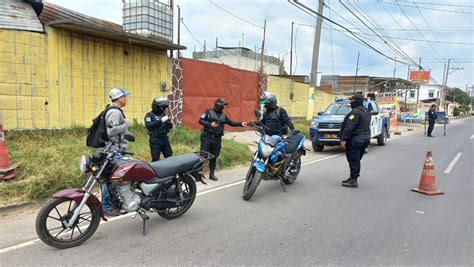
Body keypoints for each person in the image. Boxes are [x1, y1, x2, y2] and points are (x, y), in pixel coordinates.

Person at [199, 98, 247, 181]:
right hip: (207, 137)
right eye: (222, 105)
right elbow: (200, 120)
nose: (223, 107)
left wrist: (241, 124)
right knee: (203, 156)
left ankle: (212, 174)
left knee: (214, 157)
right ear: (218, 105)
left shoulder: (223, 116)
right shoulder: (208, 111)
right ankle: (199, 173)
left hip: (217, 139)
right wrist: (210, 124)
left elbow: (231, 123)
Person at [102, 87, 130, 216]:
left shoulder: (114, 110)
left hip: (115, 149)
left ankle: (113, 204)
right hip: (115, 150)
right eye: (124, 96)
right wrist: (125, 125)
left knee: (113, 179)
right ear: (119, 98)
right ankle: (107, 206)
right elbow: (111, 131)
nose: (126, 99)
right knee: (113, 179)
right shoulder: (115, 112)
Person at [340, 94, 371, 188]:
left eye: (352, 100)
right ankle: (352, 177)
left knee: (354, 160)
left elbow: (349, 127)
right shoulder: (366, 111)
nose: (350, 102)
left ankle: (353, 180)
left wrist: (343, 139)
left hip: (356, 139)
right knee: (356, 159)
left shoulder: (355, 112)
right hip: (365, 138)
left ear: (356, 101)